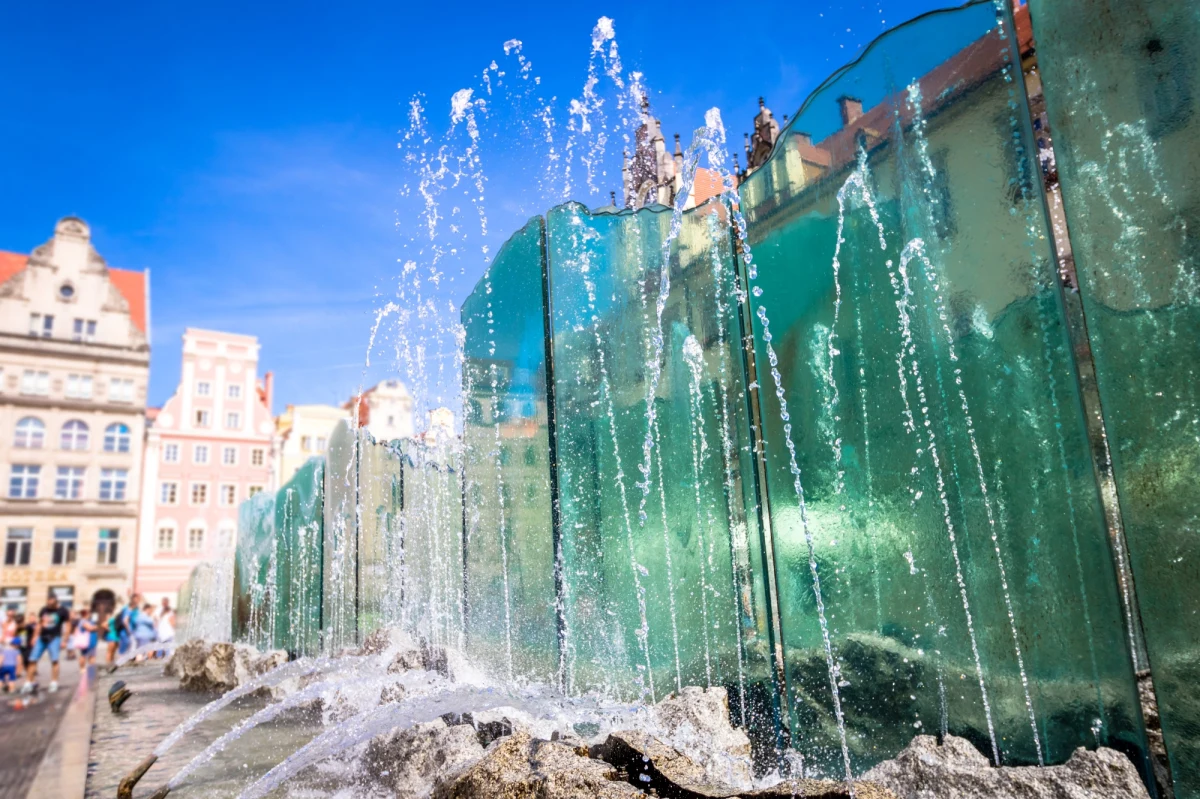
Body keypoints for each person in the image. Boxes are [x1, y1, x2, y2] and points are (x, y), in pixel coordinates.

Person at [23, 593, 69, 693]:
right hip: (42, 637)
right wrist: (35, 636)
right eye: (48, 601)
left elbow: (68, 625)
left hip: (54, 638)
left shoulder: (63, 611)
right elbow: (39, 624)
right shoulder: (44, 609)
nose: (49, 603)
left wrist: (65, 640)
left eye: (51, 601)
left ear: (56, 601)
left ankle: (54, 682)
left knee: (54, 660)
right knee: (32, 659)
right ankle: (28, 683)